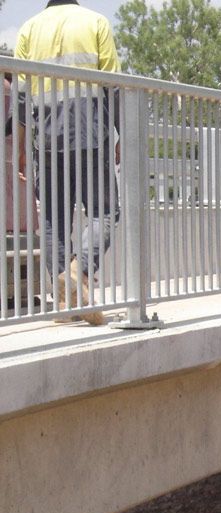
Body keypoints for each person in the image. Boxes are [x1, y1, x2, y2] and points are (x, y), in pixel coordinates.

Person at [15, 0, 121, 325]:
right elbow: (114, 87)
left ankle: (67, 298)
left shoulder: (29, 30)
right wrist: (120, 136)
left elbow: (21, 97)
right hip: (91, 134)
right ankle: (78, 271)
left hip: (46, 140)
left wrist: (21, 146)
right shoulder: (96, 23)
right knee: (106, 211)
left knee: (51, 221)